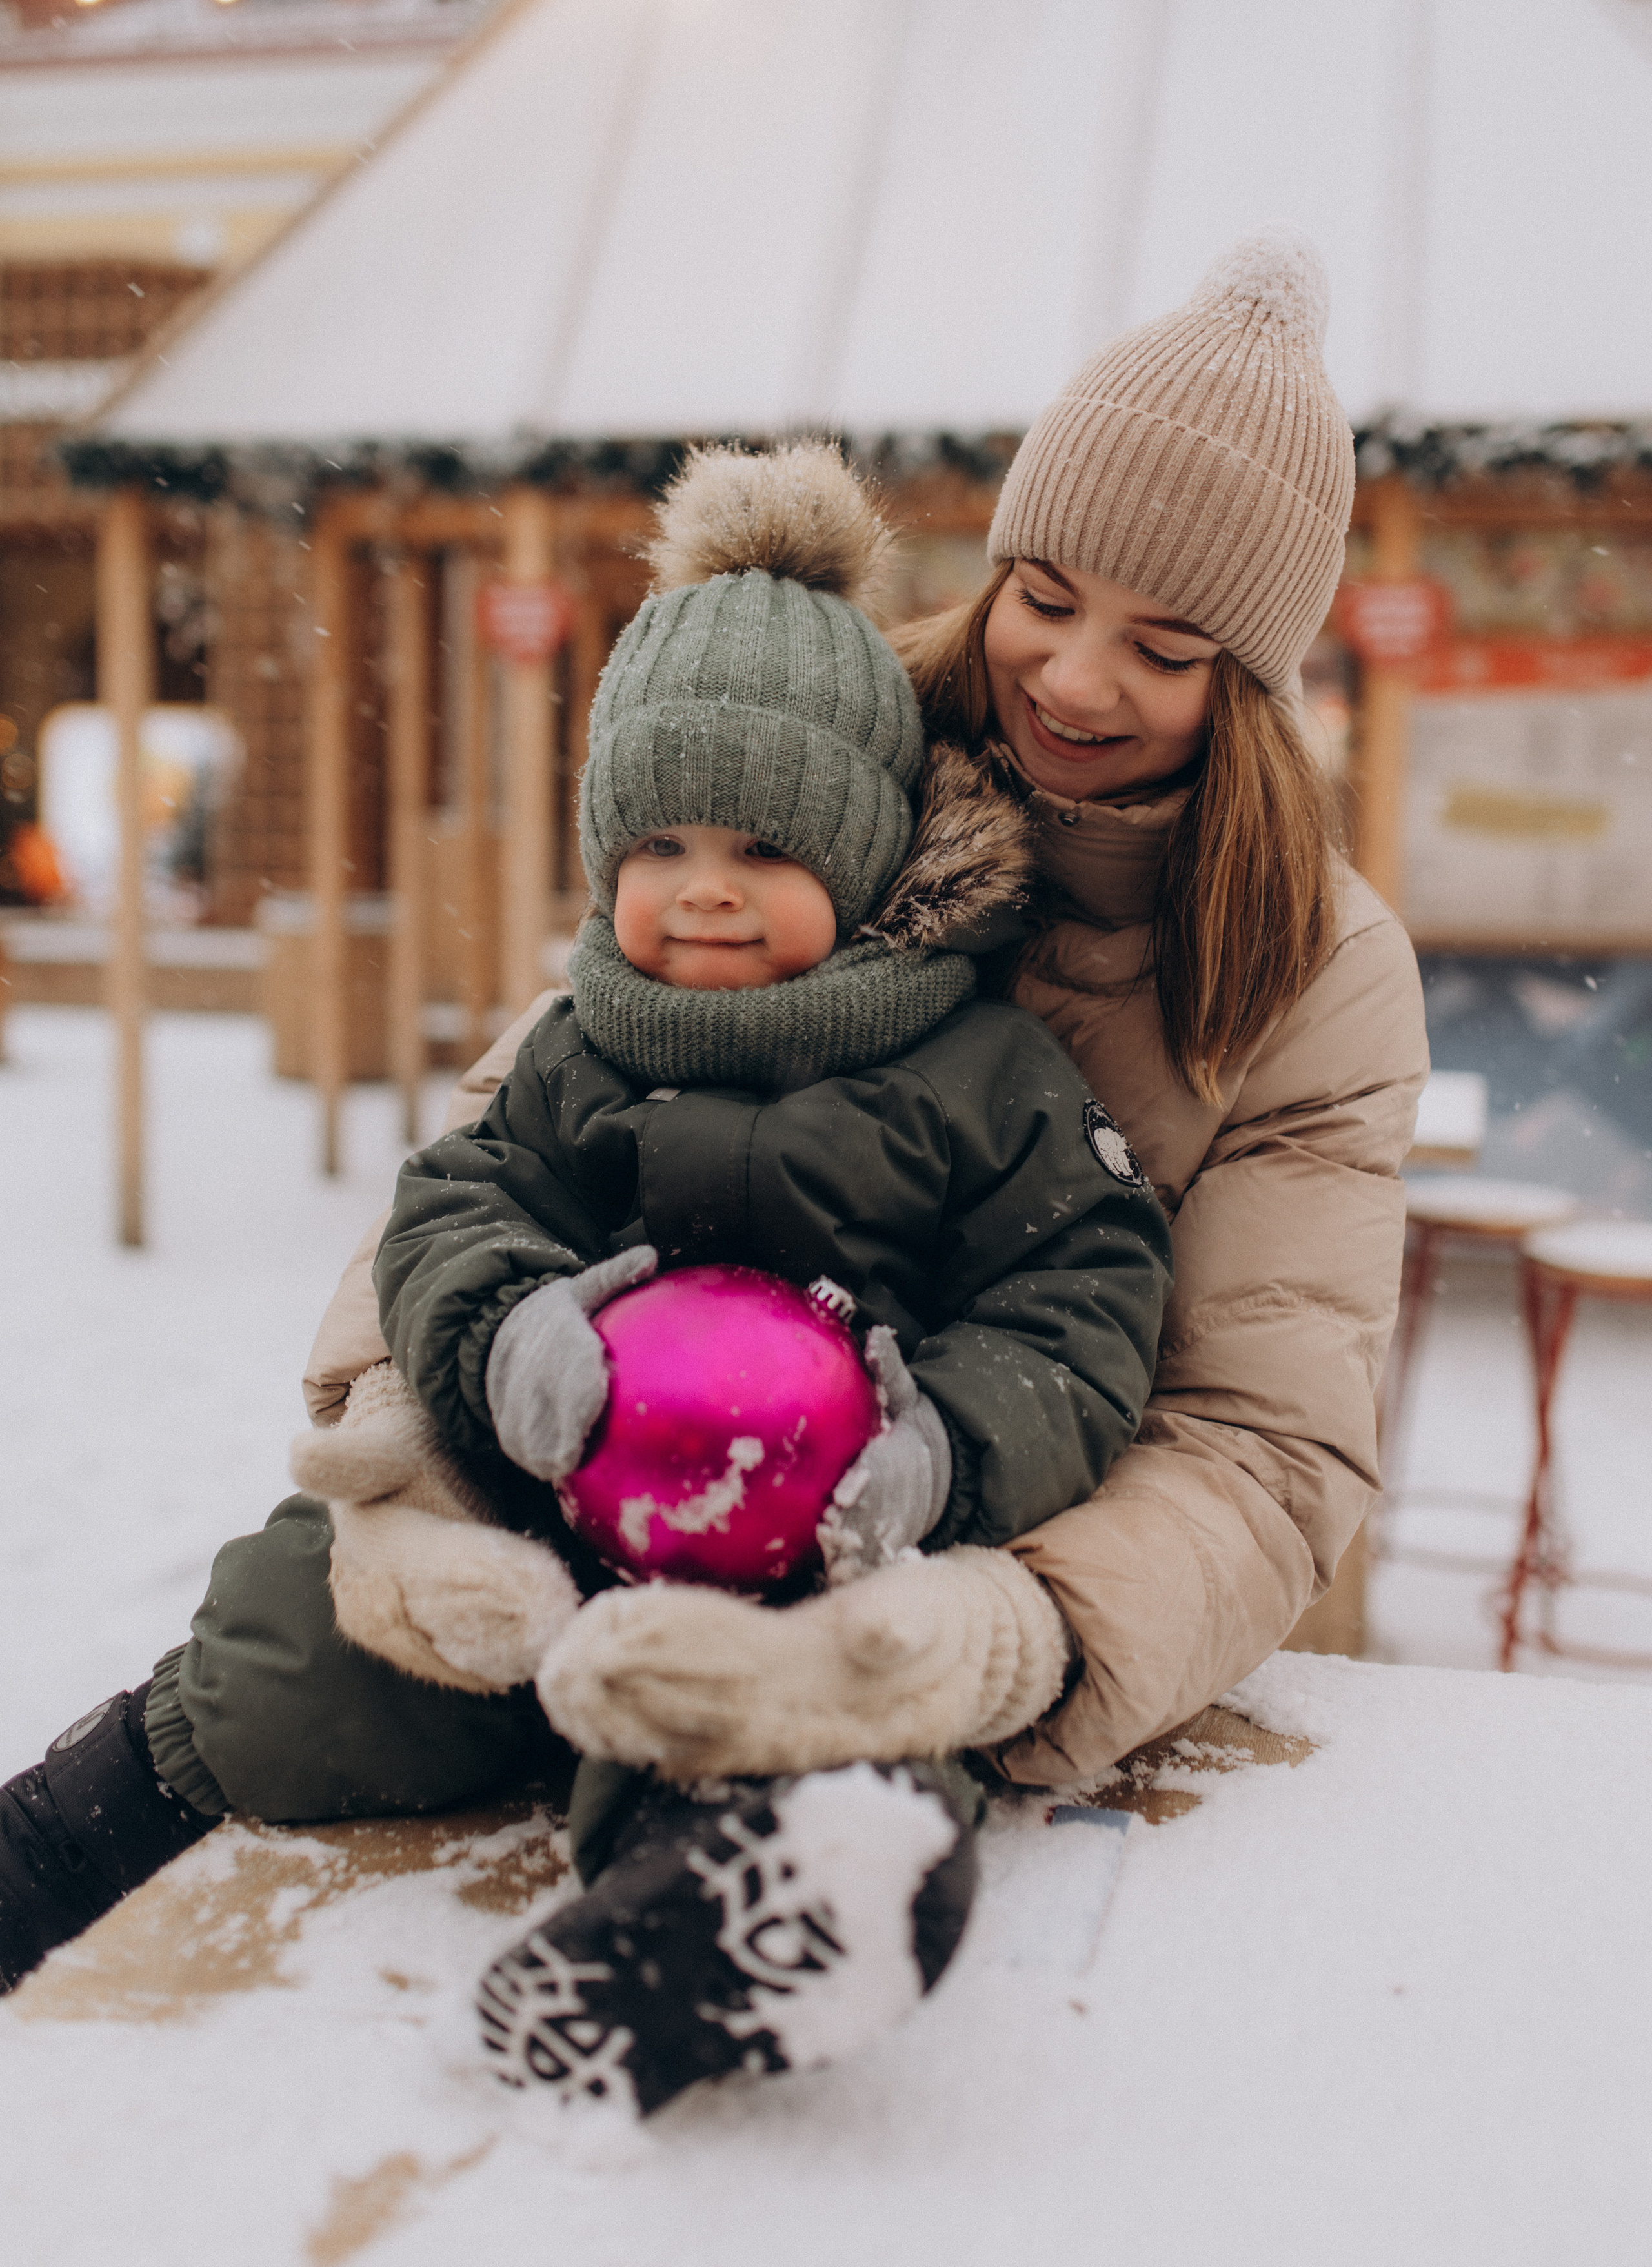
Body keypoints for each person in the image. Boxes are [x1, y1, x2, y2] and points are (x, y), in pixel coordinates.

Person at [0, 445, 1172, 2117]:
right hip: (552, 1495)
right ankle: (68, 1831)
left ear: (860, 860)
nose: (704, 884)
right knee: (297, 1623)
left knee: (810, 1709)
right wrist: (501, 1335)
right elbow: (462, 1200)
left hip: (817, 1524)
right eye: (664, 838)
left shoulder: (975, 1071)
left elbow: (1084, 1289)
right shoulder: (581, 1048)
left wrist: (950, 1452)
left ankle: (731, 1919)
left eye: (765, 846)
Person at [530, 225, 1430, 1794]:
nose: (1074, 681)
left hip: (986, 1555)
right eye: (1044, 597)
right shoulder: (839, 750)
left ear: (1251, 685)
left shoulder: (1318, 971)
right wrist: (437, 1412)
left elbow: (1264, 1439)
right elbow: (538, 1100)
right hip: (629, 1461)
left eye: (1160, 647)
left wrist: (1010, 1635)